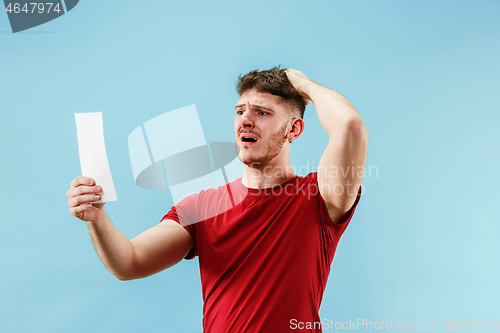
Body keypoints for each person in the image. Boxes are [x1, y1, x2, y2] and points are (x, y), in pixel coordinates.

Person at [67, 67, 368, 332]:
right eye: (240, 111)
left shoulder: (319, 195)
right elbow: (129, 262)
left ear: (294, 129)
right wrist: (97, 219)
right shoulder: (201, 207)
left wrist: (304, 85)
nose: (245, 121)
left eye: (262, 112)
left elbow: (349, 125)